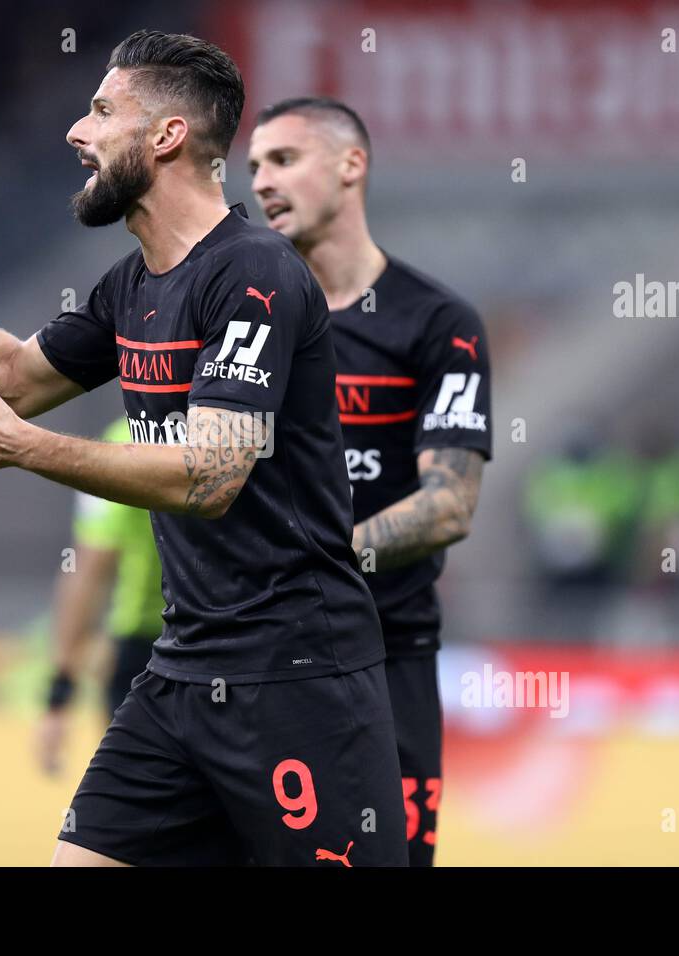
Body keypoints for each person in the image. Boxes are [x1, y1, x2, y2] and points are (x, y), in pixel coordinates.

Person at [0, 31, 407, 866]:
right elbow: (11, 378)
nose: (77, 131)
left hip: (297, 680)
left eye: (101, 111)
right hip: (181, 672)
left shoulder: (255, 275)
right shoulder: (131, 285)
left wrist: (28, 449)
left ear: (167, 136)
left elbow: (210, 476)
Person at [249, 97, 493, 865]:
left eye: (283, 160)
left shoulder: (437, 323)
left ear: (352, 166)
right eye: (253, 166)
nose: (260, 182)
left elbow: (449, 504)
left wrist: (314, 563)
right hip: (257, 657)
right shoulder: (247, 315)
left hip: (390, 657)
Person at [35, 417, 163, 776]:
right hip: (236, 643)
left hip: (147, 654)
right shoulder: (250, 428)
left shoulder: (122, 442)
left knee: (137, 806)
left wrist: (59, 696)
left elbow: (88, 572)